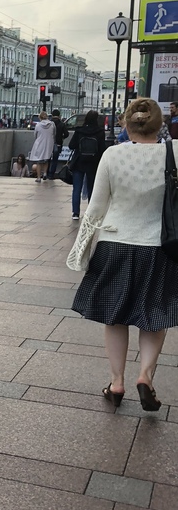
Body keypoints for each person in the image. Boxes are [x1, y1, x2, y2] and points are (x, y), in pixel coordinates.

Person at [70, 98, 178, 411]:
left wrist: (81, 251)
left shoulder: (112, 155)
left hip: (114, 246)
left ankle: (116, 383)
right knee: (154, 316)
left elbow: (96, 207)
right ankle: (144, 376)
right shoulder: (174, 152)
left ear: (125, 125)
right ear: (160, 125)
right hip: (160, 248)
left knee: (114, 318)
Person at [68, 110, 106, 220]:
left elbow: (71, 145)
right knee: (92, 188)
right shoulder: (100, 132)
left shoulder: (79, 131)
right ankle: (90, 212)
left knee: (77, 189)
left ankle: (75, 213)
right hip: (93, 163)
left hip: (79, 162)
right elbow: (102, 149)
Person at [28, 111, 55, 182]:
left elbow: (35, 135)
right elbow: (54, 134)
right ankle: (45, 173)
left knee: (39, 161)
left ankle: (39, 177)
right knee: (46, 159)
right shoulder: (52, 124)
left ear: (40, 117)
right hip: (49, 143)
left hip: (40, 143)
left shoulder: (38, 125)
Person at [49, 109, 69, 179]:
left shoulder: (49, 123)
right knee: (55, 160)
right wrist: (62, 137)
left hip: (49, 143)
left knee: (48, 159)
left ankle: (46, 173)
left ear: (52, 115)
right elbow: (66, 134)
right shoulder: (61, 124)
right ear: (59, 115)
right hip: (58, 143)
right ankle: (51, 174)